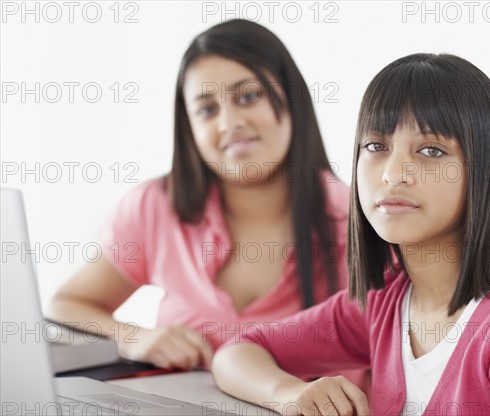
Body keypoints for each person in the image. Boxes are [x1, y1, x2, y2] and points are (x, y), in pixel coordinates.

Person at [212, 53, 490, 415]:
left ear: (483, 171)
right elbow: (238, 351)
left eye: (431, 150)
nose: (392, 173)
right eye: (376, 145)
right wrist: (291, 393)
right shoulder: (383, 303)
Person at [47, 19, 353, 371]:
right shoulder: (156, 207)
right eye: (207, 109)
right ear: (189, 127)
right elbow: (68, 304)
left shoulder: (358, 219)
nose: (229, 123)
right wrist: (134, 338)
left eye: (249, 96)